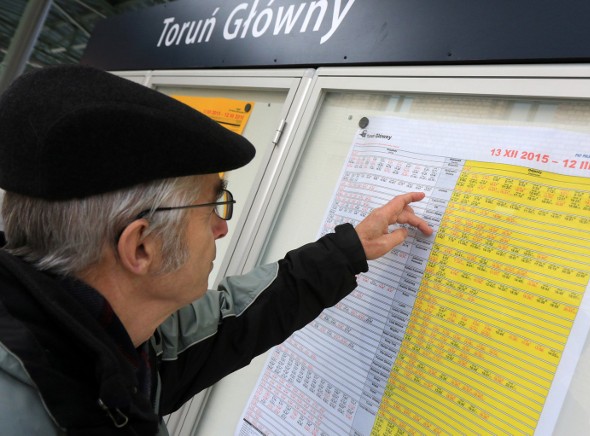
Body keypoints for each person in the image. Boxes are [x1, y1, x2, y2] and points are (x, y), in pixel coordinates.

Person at [0, 65, 432, 435]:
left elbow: (224, 324)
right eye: (212, 206)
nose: (222, 228)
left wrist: (347, 251)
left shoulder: (100, 339)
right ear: (142, 246)